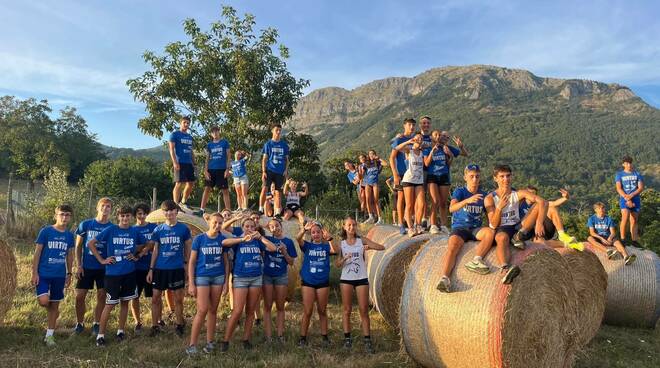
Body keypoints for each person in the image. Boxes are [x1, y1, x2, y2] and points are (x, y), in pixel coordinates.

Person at [88, 205, 144, 347]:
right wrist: (102, 260)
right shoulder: (111, 230)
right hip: (113, 274)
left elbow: (147, 243)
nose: (125, 218)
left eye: (127, 216)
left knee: (125, 303)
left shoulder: (134, 231)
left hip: (129, 273)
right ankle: (100, 335)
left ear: (131, 217)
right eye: (122, 216)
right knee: (110, 304)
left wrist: (136, 254)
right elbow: (91, 243)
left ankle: (120, 331)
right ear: (118, 217)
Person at [220, 218, 278, 351]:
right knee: (237, 310)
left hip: (256, 278)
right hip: (240, 278)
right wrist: (241, 239)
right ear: (242, 227)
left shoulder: (258, 241)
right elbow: (224, 242)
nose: (249, 229)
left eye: (252, 226)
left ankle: (246, 339)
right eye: (247, 226)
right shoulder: (237, 239)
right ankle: (225, 340)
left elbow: (273, 248)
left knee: (250, 311)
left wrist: (261, 238)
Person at [484, 165, 547, 284]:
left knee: (538, 205)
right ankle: (505, 269)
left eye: (508, 176)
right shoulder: (490, 198)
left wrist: (539, 222)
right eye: (501, 176)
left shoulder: (518, 193)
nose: (505, 179)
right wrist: (499, 208)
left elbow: (543, 202)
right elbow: (492, 224)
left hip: (519, 226)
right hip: (502, 228)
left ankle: (519, 236)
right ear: (495, 178)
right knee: (501, 238)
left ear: (511, 177)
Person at [436, 164, 495, 292]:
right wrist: (467, 201)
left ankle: (477, 260)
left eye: (477, 176)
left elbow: (491, 219)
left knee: (490, 233)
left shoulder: (484, 195)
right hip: (460, 227)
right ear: (465, 177)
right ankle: (445, 278)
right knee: (453, 246)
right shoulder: (460, 191)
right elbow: (451, 208)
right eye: (471, 176)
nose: (474, 179)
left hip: (475, 229)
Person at [334, 216, 384, 353]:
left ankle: (367, 341)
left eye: (354, 225)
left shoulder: (362, 241)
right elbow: (337, 264)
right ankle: (347, 340)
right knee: (347, 310)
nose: (352, 227)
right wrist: (344, 258)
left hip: (361, 278)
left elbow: (381, 247)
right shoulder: (341, 244)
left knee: (363, 310)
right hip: (346, 279)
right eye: (349, 225)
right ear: (344, 227)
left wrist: (369, 247)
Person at [146, 200, 192, 337]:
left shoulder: (183, 229)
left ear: (176, 212)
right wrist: (151, 269)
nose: (169, 213)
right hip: (160, 269)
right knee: (155, 298)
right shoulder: (158, 230)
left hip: (176, 268)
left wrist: (186, 265)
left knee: (178, 299)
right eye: (166, 211)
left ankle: (179, 324)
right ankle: (155, 326)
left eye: (172, 211)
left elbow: (188, 247)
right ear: (163, 213)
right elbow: (155, 251)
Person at [186, 213, 230, 355]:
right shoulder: (199, 239)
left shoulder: (223, 240)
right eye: (215, 222)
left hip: (218, 277)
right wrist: (191, 283)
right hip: (202, 277)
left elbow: (226, 262)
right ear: (209, 222)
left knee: (213, 310)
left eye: (220, 223)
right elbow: (192, 262)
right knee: (202, 309)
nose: (217, 225)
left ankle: (210, 342)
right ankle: (192, 344)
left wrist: (225, 283)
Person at [32, 204, 75, 346]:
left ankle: (49, 335)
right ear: (56, 215)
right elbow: (37, 253)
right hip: (43, 273)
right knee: (44, 301)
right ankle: (52, 311)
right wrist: (34, 273)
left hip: (59, 275)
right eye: (62, 214)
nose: (64, 217)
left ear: (70, 217)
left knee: (55, 304)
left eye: (67, 215)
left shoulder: (69, 236)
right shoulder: (46, 231)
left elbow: (70, 255)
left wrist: (69, 273)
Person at [74, 197, 114, 335]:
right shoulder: (85, 224)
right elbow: (78, 246)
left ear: (111, 210)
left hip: (104, 268)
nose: (105, 208)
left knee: (102, 295)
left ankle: (96, 324)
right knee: (79, 296)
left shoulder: (112, 228)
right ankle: (79, 323)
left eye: (108, 206)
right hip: (87, 267)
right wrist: (79, 265)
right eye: (103, 206)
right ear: (97, 207)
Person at [296, 221, 338, 347]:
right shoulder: (307, 246)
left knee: (322, 310)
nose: (316, 234)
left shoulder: (326, 247)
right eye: (313, 232)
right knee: (308, 311)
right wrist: (304, 229)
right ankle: (303, 338)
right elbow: (298, 239)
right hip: (308, 282)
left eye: (318, 232)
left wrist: (330, 238)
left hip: (322, 282)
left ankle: (325, 337)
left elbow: (335, 250)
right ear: (311, 234)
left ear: (322, 233)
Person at [262, 218, 298, 342]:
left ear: (281, 226)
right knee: (267, 306)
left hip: (281, 276)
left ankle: (280, 335)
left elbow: (291, 262)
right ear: (269, 229)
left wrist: (284, 251)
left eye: (277, 225)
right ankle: (268, 336)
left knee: (280, 306)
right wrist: (265, 225)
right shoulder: (267, 240)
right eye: (271, 227)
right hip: (267, 276)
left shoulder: (288, 242)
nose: (275, 228)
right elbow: (258, 228)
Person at [424, 130, 460, 234]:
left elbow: (448, 165)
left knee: (443, 203)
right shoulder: (428, 149)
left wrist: (450, 155)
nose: (438, 136)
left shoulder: (444, 148)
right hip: (432, 176)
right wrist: (432, 152)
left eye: (439, 135)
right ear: (431, 137)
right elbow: (426, 163)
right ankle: (433, 224)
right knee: (435, 201)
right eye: (436, 135)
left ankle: (444, 226)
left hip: (444, 176)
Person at [131, 203, 158, 333]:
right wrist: (145, 246)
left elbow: (156, 244)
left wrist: (146, 247)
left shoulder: (154, 227)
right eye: (139, 214)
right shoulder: (131, 230)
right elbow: (132, 249)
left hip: (152, 267)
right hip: (136, 268)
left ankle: (157, 320)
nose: (142, 216)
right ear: (135, 215)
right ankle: (137, 322)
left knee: (155, 296)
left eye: (144, 213)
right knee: (134, 296)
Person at [393, 133, 426, 237]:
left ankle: (418, 224)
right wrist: (408, 141)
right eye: (417, 137)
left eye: (421, 138)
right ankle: (410, 228)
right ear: (414, 139)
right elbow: (396, 148)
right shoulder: (409, 150)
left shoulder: (422, 152)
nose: (419, 139)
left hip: (419, 180)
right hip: (408, 180)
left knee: (421, 203)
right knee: (409, 204)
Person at [389, 118, 416, 234]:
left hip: (413, 173)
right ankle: (400, 223)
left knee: (412, 200)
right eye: (409, 125)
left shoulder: (416, 139)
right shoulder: (399, 139)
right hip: (401, 173)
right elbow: (391, 158)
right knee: (401, 197)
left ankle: (409, 221)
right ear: (404, 126)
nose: (412, 127)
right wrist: (395, 174)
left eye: (413, 125)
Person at [260, 124, 290, 217]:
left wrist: (286, 170)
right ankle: (260, 209)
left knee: (278, 191)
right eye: (276, 130)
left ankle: (277, 212)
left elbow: (287, 160)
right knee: (265, 188)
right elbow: (264, 159)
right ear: (272, 131)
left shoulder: (284, 145)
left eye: (280, 130)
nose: (278, 132)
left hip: (280, 171)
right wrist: (264, 171)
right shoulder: (268, 144)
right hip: (270, 170)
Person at [200, 126, 231, 213]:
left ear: (219, 132)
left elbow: (229, 156)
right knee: (207, 188)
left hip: (222, 169)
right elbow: (207, 158)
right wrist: (205, 170)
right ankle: (202, 209)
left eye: (216, 131)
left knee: (225, 190)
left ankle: (228, 211)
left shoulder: (225, 142)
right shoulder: (209, 144)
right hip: (211, 169)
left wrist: (227, 169)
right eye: (213, 132)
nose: (215, 133)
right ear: (211, 134)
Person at [168, 116, 196, 211]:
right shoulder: (174, 134)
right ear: (180, 123)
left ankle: (183, 202)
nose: (186, 124)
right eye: (184, 122)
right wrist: (175, 162)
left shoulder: (189, 137)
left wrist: (194, 162)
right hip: (179, 162)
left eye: (188, 123)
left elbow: (191, 150)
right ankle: (175, 205)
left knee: (191, 183)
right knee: (179, 184)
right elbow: (171, 150)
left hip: (189, 163)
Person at [615, 156, 644, 246]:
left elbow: (640, 188)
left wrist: (631, 195)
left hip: (635, 198)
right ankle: (622, 239)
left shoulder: (637, 174)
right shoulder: (619, 174)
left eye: (630, 163)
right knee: (625, 217)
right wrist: (626, 197)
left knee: (634, 220)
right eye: (627, 163)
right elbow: (618, 188)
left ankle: (634, 240)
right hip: (624, 199)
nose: (629, 165)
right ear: (623, 164)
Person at [362, 150, 387, 224]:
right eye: (370, 154)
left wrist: (379, 158)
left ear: (375, 154)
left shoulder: (378, 162)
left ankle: (380, 218)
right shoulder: (367, 163)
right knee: (367, 200)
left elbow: (386, 164)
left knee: (376, 200)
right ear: (368, 155)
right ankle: (371, 217)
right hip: (368, 183)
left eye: (372, 154)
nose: (371, 155)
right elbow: (362, 174)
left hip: (375, 183)